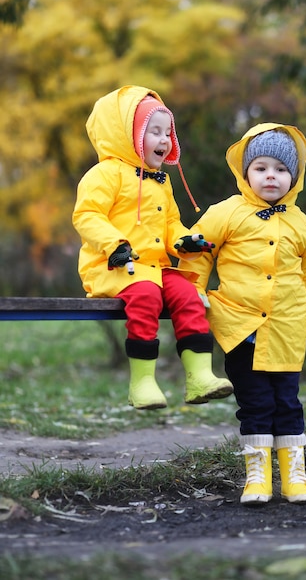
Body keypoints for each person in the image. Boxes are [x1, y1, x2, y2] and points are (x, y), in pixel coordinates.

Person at [179, 123, 306, 505]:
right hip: (241, 326)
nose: (272, 175)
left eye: (281, 169)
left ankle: (294, 476)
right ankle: (257, 476)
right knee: (255, 402)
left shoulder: (303, 225)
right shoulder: (226, 213)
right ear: (246, 172)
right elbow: (197, 251)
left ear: (294, 177)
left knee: (288, 401)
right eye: (262, 167)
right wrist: (194, 293)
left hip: (286, 328)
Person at [72, 85, 233, 410]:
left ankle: (199, 376)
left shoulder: (161, 180)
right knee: (145, 294)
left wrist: (183, 241)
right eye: (154, 132)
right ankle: (142, 382)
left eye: (167, 133)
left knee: (188, 293)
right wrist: (114, 245)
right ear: (125, 135)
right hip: (113, 266)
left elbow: (170, 223)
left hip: (155, 268)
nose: (164, 140)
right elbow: (87, 216)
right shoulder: (104, 175)